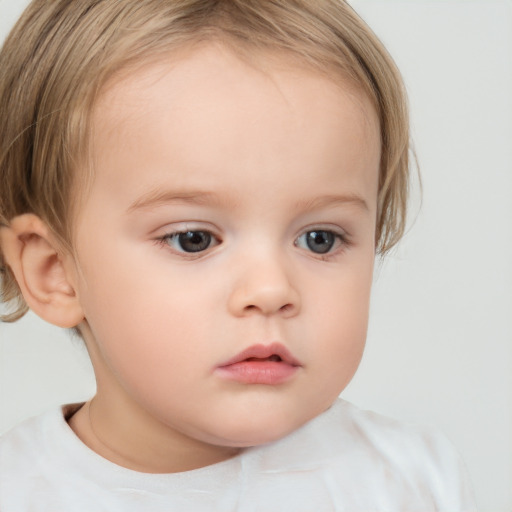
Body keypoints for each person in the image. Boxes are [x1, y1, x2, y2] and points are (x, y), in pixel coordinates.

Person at [0, 0, 476, 510]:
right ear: (55, 272)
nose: (272, 289)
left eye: (320, 238)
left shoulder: (412, 482)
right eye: (194, 239)